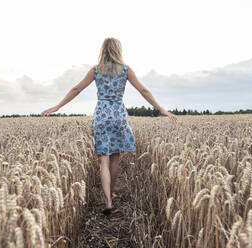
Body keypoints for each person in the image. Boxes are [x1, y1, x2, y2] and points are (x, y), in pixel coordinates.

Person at [41, 37, 177, 215]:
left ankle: (108, 201)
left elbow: (76, 89)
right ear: (118, 50)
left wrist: (57, 106)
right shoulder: (126, 70)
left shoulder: (96, 70)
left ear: (103, 50)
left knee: (102, 161)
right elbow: (144, 91)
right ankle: (111, 193)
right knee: (115, 158)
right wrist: (162, 110)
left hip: (102, 116)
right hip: (119, 116)